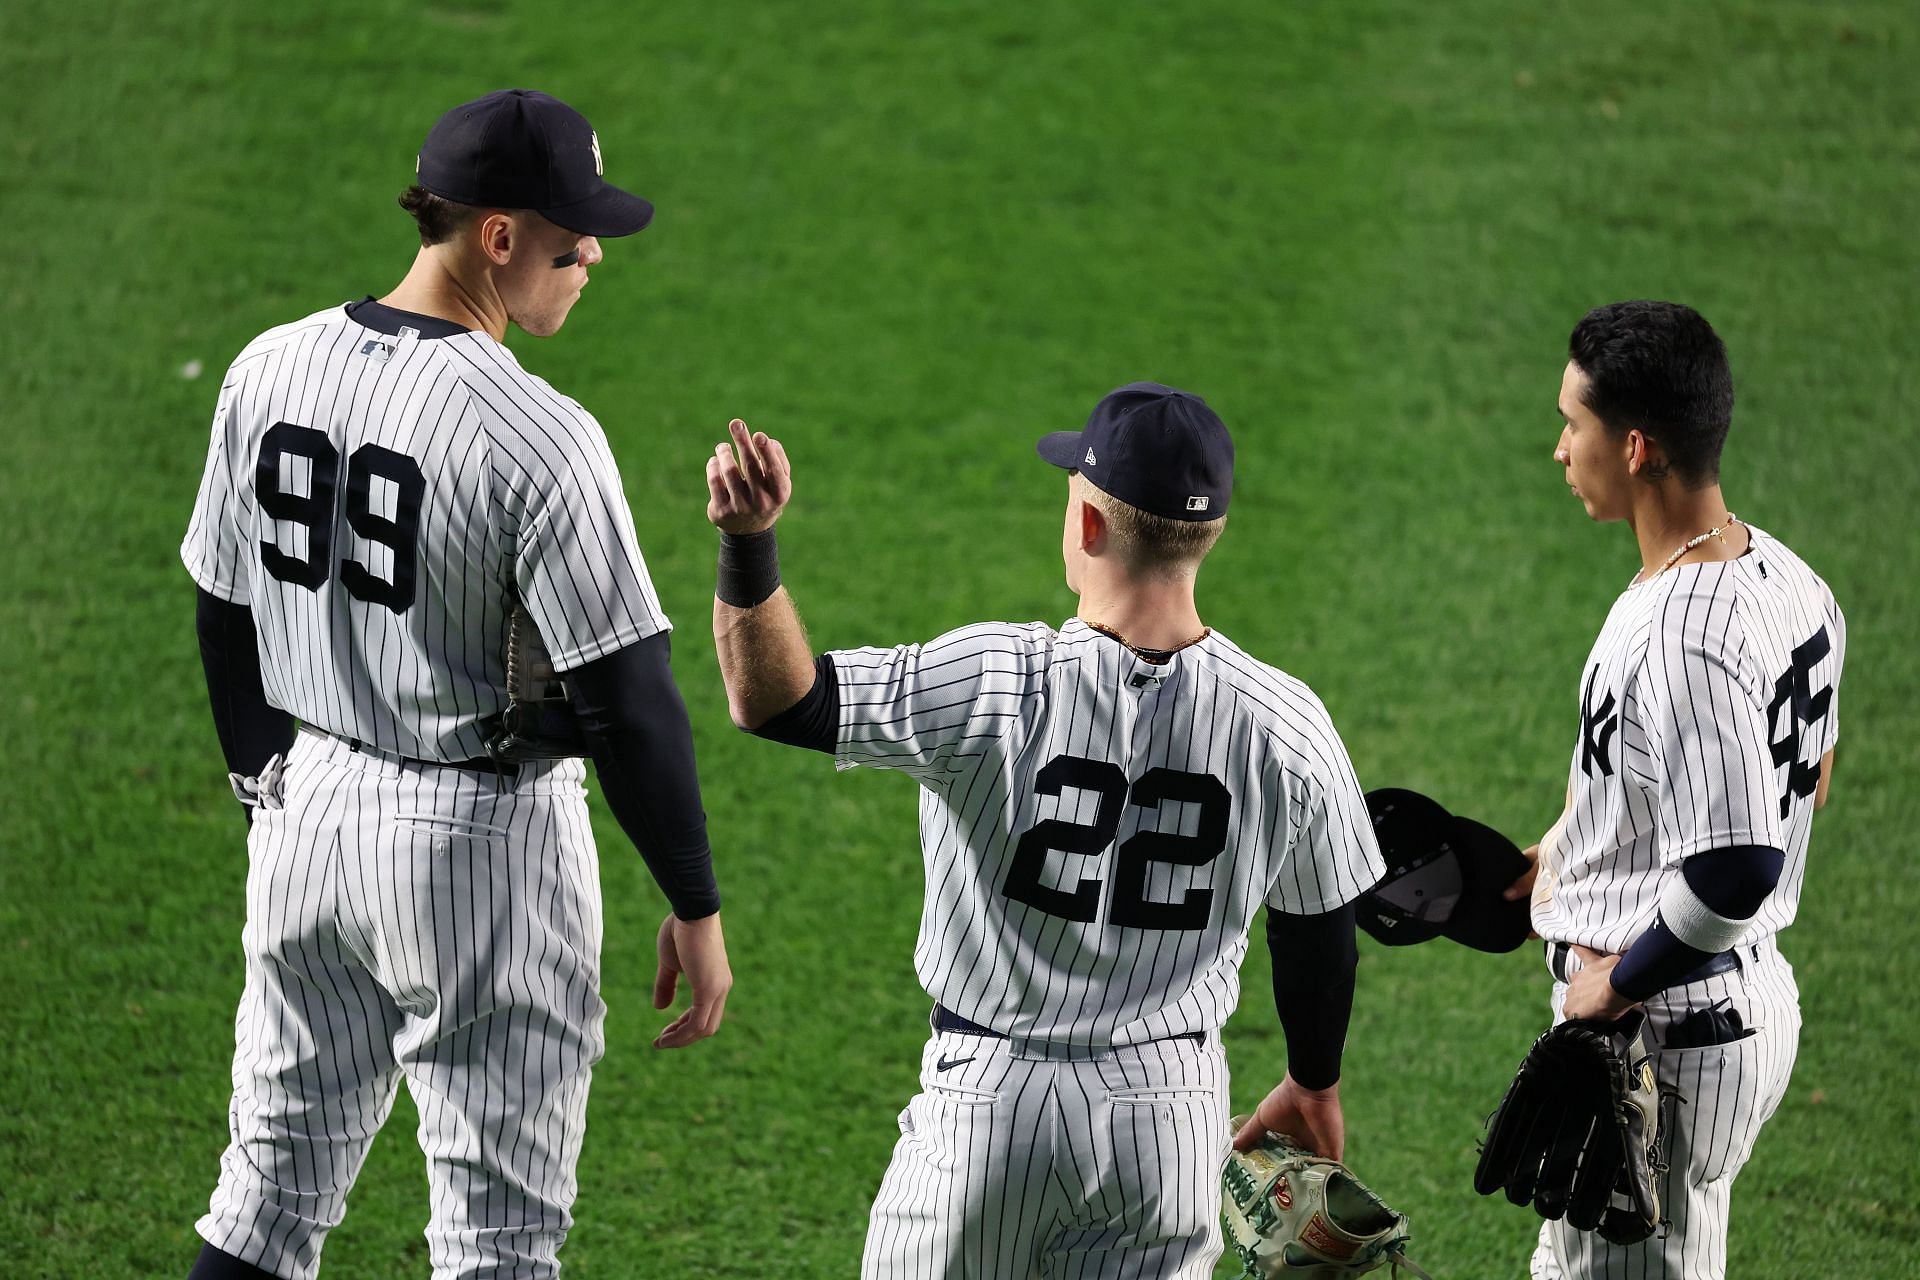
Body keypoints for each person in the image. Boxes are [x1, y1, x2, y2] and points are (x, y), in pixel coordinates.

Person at [179, 89, 732, 1280]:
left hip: (305, 814)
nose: (592, 254)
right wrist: (694, 899)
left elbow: (222, 604)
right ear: (495, 234)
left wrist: (263, 789)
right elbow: (630, 700)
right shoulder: (541, 436)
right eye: (571, 232)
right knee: (497, 1247)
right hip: (479, 849)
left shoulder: (268, 365)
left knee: (266, 1197)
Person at [702, 385, 1386, 1278]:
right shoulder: (1288, 724)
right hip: (1171, 1126)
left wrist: (748, 544)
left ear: (1091, 529)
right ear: (1209, 533)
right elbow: (1319, 931)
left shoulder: (992, 676)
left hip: (993, 1108)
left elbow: (777, 700)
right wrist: (1312, 1079)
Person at [1504, 300, 1845, 1279]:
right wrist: (1562, 855)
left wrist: (1611, 981)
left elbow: (1740, 859)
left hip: (1668, 1028)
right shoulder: (1786, 577)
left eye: (1576, 424)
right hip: (1720, 1004)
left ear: (1638, 446)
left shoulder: (1680, 633)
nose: (1560, 448)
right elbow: (1806, 776)